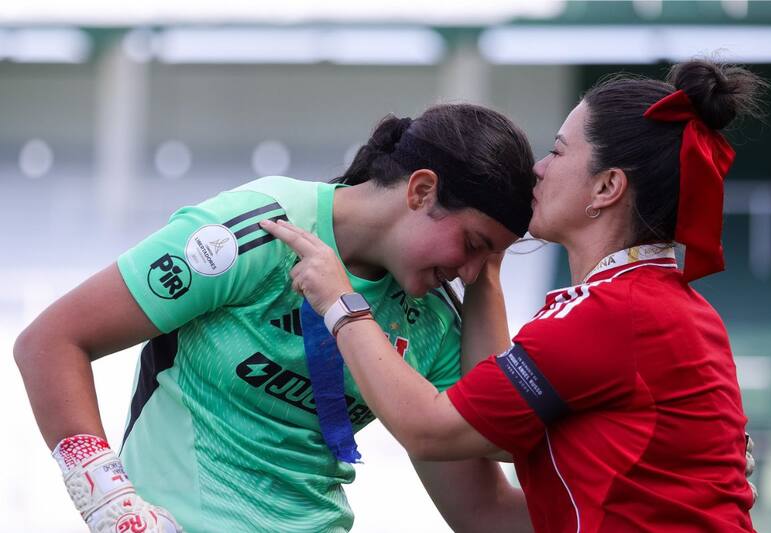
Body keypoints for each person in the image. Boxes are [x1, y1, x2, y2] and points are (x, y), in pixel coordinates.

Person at [264, 59, 765, 532]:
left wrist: (339, 300)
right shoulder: (665, 306)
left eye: (559, 150)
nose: (540, 169)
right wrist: (484, 266)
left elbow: (431, 430)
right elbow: (492, 499)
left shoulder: (610, 315)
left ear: (607, 186)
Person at [14, 104, 538, 532]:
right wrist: (112, 505)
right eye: (473, 245)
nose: (468, 273)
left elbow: (484, 506)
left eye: (491, 260)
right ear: (421, 190)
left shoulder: (437, 317)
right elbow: (50, 343)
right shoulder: (256, 230)